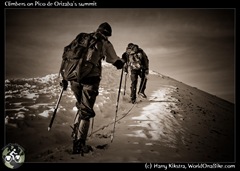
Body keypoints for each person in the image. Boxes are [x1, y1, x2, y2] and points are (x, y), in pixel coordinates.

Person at [60, 22, 125, 155]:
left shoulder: (81, 38)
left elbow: (66, 54)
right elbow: (114, 60)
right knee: (86, 109)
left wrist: (64, 78)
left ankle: (76, 132)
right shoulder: (104, 42)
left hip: (73, 78)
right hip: (91, 79)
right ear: (107, 34)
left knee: (81, 105)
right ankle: (79, 144)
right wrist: (122, 62)